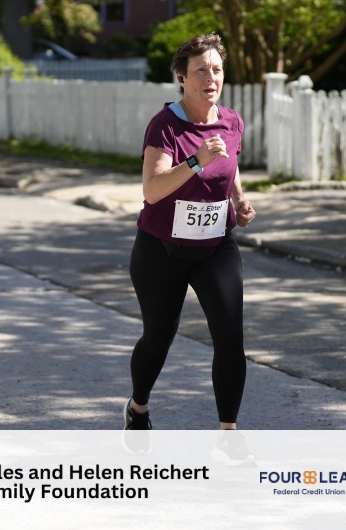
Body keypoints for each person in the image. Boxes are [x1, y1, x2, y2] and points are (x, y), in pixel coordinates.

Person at [124, 33, 256, 455]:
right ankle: (138, 408)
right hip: (161, 250)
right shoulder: (166, 125)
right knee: (159, 337)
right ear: (182, 78)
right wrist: (196, 160)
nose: (210, 78)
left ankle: (228, 435)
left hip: (215, 246)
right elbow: (152, 190)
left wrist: (238, 199)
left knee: (230, 337)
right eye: (201, 71)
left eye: (217, 69)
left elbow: (229, 167)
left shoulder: (231, 121)